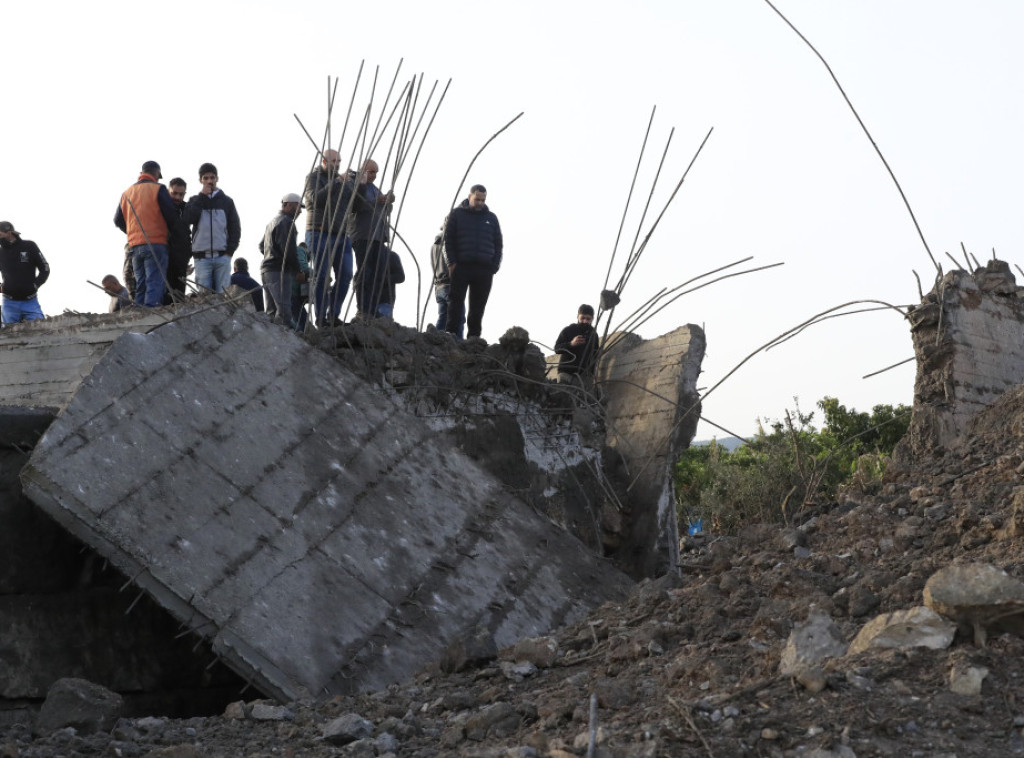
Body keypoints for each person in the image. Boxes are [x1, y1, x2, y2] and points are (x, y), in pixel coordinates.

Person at [114, 160, 179, 307]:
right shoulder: (158, 188)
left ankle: (139, 313)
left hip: (135, 245)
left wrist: (132, 231)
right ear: (156, 173)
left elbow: (118, 220)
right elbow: (171, 216)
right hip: (156, 242)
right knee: (154, 280)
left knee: (141, 282)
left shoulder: (127, 193)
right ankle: (151, 313)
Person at [303, 149, 354, 327]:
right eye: (334, 161)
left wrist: (357, 185)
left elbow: (355, 206)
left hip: (341, 234)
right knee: (322, 275)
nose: (338, 164)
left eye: (339, 161)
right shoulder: (313, 177)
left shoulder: (342, 182)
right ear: (324, 162)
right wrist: (337, 182)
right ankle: (320, 317)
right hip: (319, 231)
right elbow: (315, 199)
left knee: (346, 274)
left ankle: (333, 314)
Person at [444, 184, 502, 339]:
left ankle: (474, 340)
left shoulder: (491, 218)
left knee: (478, 308)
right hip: (461, 266)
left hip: (484, 269)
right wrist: (451, 263)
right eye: (477, 199)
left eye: (483, 200)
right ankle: (451, 337)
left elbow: (498, 244)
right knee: (455, 304)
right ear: (470, 197)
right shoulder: (456, 214)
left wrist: (494, 267)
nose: (480, 203)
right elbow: (447, 240)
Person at [182, 162, 241, 294]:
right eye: (206, 178)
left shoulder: (227, 201)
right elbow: (187, 219)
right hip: (202, 258)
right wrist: (201, 197)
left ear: (217, 179)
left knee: (223, 295)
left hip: (222, 256)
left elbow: (235, 228)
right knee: (204, 297)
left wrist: (229, 252)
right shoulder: (194, 200)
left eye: (212, 178)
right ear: (200, 180)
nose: (209, 181)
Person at [349, 159, 394, 318]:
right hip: (363, 235)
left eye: (376, 172)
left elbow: (383, 212)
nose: (374, 175)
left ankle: (372, 309)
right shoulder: (356, 186)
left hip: (378, 237)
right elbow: (356, 206)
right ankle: (362, 309)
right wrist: (378, 201)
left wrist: (388, 203)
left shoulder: (375, 189)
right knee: (365, 273)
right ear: (362, 171)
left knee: (377, 274)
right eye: (371, 172)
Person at [259, 193, 304, 329]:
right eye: (298, 207)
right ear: (288, 205)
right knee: (284, 313)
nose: (300, 211)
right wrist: (297, 270)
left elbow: (262, 246)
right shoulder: (286, 223)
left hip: (267, 271)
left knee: (271, 312)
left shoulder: (272, 222)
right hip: (279, 271)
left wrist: (271, 254)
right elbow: (289, 251)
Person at [0, 221, 49, 324]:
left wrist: (36, 285)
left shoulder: (29, 246)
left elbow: (45, 268)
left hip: (30, 301)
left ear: (9, 233)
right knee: (8, 336)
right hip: (9, 303)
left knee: (41, 328)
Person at [430, 219, 463, 337]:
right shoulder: (450, 243)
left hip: (439, 286)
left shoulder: (434, 245)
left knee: (443, 318)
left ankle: (435, 341)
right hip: (450, 284)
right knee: (457, 318)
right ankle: (458, 345)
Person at [554, 304, 599, 383]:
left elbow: (595, 356)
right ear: (578, 316)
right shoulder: (568, 330)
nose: (585, 321)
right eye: (582, 318)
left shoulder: (594, 335)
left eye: (588, 319)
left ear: (592, 319)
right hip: (566, 374)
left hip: (584, 377)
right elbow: (557, 348)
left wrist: (591, 375)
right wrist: (571, 344)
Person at [165, 177, 192, 303]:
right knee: (166, 296)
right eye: (174, 193)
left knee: (179, 298)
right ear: (168, 191)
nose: (177, 197)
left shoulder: (186, 210)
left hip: (181, 262)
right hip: (165, 258)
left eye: (181, 194)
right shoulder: (162, 208)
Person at [376, 247, 405, 319]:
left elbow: (401, 277)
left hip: (385, 300)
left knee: (382, 325)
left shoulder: (391, 255)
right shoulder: (368, 254)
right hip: (368, 301)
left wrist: (382, 279)